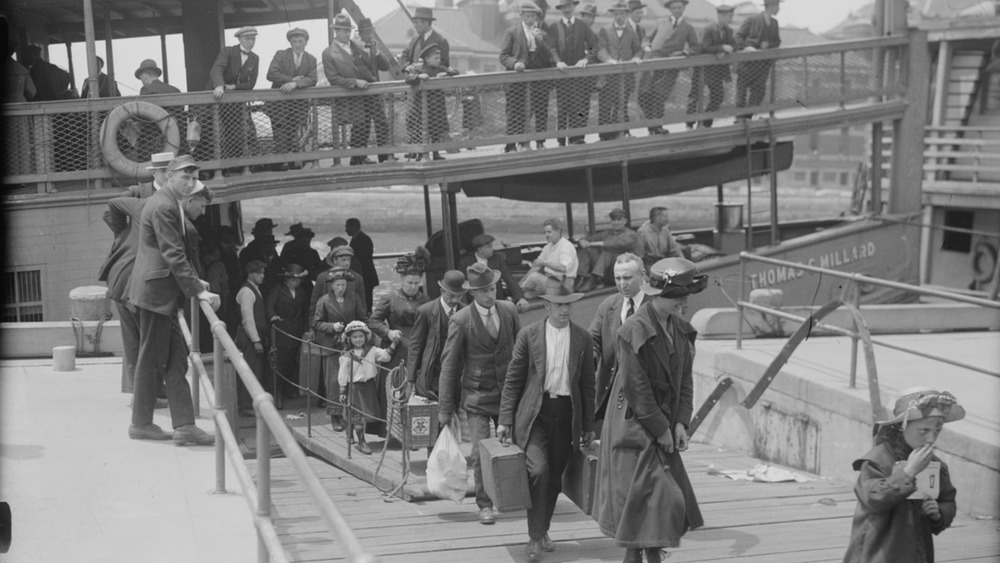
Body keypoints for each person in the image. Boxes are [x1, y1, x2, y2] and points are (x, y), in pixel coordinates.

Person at [592, 257, 707, 563]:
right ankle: (639, 555)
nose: (684, 301)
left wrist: (682, 422)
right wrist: (662, 430)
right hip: (632, 425)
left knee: (657, 500)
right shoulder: (633, 329)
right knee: (641, 498)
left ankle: (651, 553)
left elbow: (685, 380)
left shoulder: (681, 329)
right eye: (679, 295)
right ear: (660, 295)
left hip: (664, 421)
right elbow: (636, 389)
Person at [124, 155, 219, 445]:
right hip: (155, 294)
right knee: (151, 360)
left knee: (176, 359)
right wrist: (198, 290)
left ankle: (185, 426)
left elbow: (173, 254)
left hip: (162, 292)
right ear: (168, 176)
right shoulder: (164, 205)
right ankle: (141, 423)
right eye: (184, 178)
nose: (190, 183)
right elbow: (173, 253)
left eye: (193, 178)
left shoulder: (169, 202)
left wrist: (194, 282)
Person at [497, 284, 595, 561]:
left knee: (554, 477)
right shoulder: (528, 335)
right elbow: (513, 379)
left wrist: (588, 426)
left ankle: (542, 528)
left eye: (568, 305)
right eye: (559, 304)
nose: (565, 310)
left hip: (567, 414)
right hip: (535, 413)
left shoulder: (583, 338)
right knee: (538, 470)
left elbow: (588, 385)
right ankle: (535, 536)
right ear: (547, 306)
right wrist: (505, 420)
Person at [438, 262, 521, 525]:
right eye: (484, 290)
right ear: (472, 293)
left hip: (508, 395)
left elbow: (522, 353)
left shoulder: (508, 311)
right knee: (479, 450)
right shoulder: (461, 320)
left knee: (513, 447)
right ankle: (484, 504)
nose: (490, 294)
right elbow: (449, 366)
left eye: (493, 288)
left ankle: (511, 497)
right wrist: (444, 408)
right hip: (476, 397)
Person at [843, 388, 962, 563]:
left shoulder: (933, 465)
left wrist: (938, 512)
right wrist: (908, 473)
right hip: (877, 553)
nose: (931, 438)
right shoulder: (877, 461)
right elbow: (872, 499)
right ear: (901, 427)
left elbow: (947, 500)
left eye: (937, 431)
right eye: (924, 431)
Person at [588, 253, 645, 430]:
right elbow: (593, 340)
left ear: (643, 275)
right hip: (609, 392)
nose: (622, 283)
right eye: (617, 278)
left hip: (642, 395)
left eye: (627, 278)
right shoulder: (608, 305)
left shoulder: (654, 307)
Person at [500, 1, 561, 153]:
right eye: (527, 15)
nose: (530, 19)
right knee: (516, 112)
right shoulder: (512, 32)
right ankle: (513, 144)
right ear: (521, 16)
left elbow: (552, 56)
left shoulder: (544, 34)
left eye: (533, 16)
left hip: (539, 81)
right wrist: (514, 64)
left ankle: (540, 142)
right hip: (518, 80)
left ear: (537, 18)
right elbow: (503, 56)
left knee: (541, 111)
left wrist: (542, 42)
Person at [313, 269, 367, 432]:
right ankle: (335, 416)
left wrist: (360, 331)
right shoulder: (324, 301)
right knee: (334, 382)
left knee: (354, 379)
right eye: (338, 285)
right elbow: (316, 323)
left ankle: (353, 414)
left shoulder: (354, 298)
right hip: (332, 346)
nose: (341, 288)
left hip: (351, 345)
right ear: (331, 286)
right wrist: (332, 326)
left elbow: (363, 318)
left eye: (343, 285)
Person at [637, 0, 700, 135]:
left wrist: (683, 53)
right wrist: (647, 47)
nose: (677, 10)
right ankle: (651, 125)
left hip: (670, 67)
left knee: (659, 96)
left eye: (679, 7)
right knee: (643, 95)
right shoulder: (661, 23)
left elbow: (696, 47)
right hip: (653, 64)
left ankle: (657, 126)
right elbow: (646, 39)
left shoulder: (687, 27)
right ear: (669, 9)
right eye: (674, 7)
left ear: (684, 8)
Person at [323, 14, 378, 166]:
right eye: (344, 31)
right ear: (336, 31)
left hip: (365, 92)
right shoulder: (328, 53)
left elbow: (368, 65)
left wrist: (371, 51)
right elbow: (333, 78)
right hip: (348, 94)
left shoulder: (356, 46)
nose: (347, 34)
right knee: (359, 124)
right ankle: (356, 157)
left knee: (365, 123)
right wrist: (355, 82)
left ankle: (361, 155)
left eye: (349, 30)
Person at [405, 269, 467, 402]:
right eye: (451, 295)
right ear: (442, 291)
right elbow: (415, 345)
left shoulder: (466, 312)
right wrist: (411, 378)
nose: (455, 300)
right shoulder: (425, 311)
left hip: (459, 374)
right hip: (432, 373)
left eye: (459, 296)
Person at [368, 247, 431, 371]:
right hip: (397, 347)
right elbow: (373, 321)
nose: (413, 287)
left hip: (420, 347)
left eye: (416, 283)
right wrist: (388, 332)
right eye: (409, 283)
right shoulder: (389, 298)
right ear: (401, 279)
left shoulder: (426, 300)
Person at [338, 321, 397, 455]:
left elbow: (385, 356)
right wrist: (342, 390)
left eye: (360, 336)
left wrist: (394, 343)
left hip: (368, 387)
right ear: (349, 339)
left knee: (364, 414)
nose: (358, 339)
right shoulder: (346, 356)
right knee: (357, 415)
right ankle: (361, 441)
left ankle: (350, 432)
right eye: (354, 337)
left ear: (366, 337)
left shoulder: (372, 351)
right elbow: (343, 374)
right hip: (354, 387)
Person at [204, 26, 260, 163]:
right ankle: (207, 167)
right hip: (215, 97)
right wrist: (219, 85)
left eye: (253, 39)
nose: (251, 42)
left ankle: (231, 164)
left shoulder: (254, 58)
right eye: (247, 39)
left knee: (235, 133)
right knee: (208, 131)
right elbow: (217, 69)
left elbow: (251, 83)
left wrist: (234, 87)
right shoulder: (228, 51)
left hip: (233, 102)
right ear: (240, 39)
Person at [265, 27, 317, 171]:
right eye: (294, 41)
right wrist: (290, 79)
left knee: (293, 132)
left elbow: (312, 79)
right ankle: (281, 162)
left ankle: (293, 160)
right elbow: (271, 74)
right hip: (278, 104)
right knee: (280, 131)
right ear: (290, 43)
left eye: (300, 41)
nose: (297, 44)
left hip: (297, 105)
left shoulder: (311, 59)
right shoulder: (281, 55)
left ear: (306, 42)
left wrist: (295, 84)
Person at [549, 0, 598, 146]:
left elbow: (593, 45)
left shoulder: (582, 26)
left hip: (579, 77)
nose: (567, 9)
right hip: (562, 76)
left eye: (569, 6)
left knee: (580, 108)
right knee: (563, 108)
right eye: (564, 7)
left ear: (574, 7)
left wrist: (586, 58)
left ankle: (577, 137)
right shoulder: (554, 27)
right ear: (561, 9)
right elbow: (551, 49)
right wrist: (558, 61)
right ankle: (561, 140)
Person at [404, 43, 459, 162]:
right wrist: (419, 77)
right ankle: (421, 154)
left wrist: (446, 73)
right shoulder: (418, 68)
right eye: (435, 58)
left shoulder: (440, 68)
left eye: (439, 58)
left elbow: (456, 71)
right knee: (421, 130)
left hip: (437, 107)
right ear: (427, 59)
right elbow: (408, 78)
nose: (438, 60)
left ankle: (436, 153)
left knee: (436, 130)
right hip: (422, 107)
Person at [597, 1, 643, 141]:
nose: (619, 17)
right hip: (609, 77)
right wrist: (608, 59)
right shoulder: (604, 30)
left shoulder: (632, 31)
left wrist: (636, 57)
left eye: (621, 14)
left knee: (621, 106)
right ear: (613, 15)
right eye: (616, 14)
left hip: (626, 77)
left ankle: (621, 133)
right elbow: (599, 49)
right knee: (605, 106)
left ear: (626, 14)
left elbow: (638, 49)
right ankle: (604, 136)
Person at [266, 262, 311, 401]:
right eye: (293, 279)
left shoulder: (302, 292)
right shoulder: (277, 290)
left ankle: (290, 389)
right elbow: (269, 306)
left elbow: (305, 312)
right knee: (280, 362)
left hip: (296, 328)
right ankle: (277, 392)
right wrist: (273, 316)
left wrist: (307, 329)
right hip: (281, 329)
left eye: (298, 280)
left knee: (294, 362)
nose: (296, 282)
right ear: (286, 280)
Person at [356, 18, 396, 164]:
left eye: (370, 31)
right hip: (360, 92)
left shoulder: (373, 47)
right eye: (366, 32)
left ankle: (383, 156)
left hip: (374, 92)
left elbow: (385, 67)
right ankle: (358, 157)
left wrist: (377, 52)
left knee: (381, 123)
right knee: (361, 125)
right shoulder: (354, 46)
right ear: (360, 33)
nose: (369, 35)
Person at [458, 233, 529, 312]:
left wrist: (520, 298)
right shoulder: (465, 262)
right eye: (489, 246)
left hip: (496, 301)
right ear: (480, 250)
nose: (492, 249)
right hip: (474, 304)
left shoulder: (497, 259)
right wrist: (465, 306)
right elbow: (462, 286)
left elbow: (509, 279)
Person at [735, 0, 781, 119]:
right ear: (770, 6)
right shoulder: (752, 20)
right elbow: (738, 37)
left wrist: (768, 45)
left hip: (762, 66)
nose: (778, 9)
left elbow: (777, 41)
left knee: (758, 93)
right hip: (747, 64)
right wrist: (747, 47)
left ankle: (747, 117)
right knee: (741, 92)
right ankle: (740, 119)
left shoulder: (774, 23)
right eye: (777, 6)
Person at [235, 259, 270, 415]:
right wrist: (256, 340)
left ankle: (250, 403)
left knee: (255, 369)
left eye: (263, 273)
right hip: (249, 338)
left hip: (256, 335)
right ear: (251, 274)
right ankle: (246, 405)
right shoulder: (247, 292)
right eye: (259, 273)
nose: (263, 276)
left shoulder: (254, 289)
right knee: (250, 369)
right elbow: (247, 319)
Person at [693, 5, 737, 128]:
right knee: (696, 96)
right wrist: (721, 48)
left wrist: (727, 50)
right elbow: (704, 47)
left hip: (718, 71)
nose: (731, 19)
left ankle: (705, 123)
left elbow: (735, 45)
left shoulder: (729, 31)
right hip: (704, 70)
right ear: (720, 16)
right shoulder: (708, 29)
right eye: (729, 16)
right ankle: (692, 124)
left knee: (718, 97)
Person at [575, 207, 638, 291]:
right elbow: (588, 238)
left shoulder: (631, 234)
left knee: (608, 251)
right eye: (613, 220)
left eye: (619, 220)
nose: (616, 222)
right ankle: (580, 277)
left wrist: (596, 243)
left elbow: (617, 244)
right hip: (605, 272)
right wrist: (582, 241)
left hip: (622, 271)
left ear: (625, 221)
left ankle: (594, 279)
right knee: (587, 249)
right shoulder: (607, 233)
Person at [519, 218, 579, 298]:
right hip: (550, 282)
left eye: (549, 232)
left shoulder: (566, 247)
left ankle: (515, 292)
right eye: (545, 232)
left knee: (534, 277)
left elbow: (563, 268)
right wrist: (521, 282)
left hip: (563, 286)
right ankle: (518, 291)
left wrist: (544, 262)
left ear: (558, 231)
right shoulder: (547, 247)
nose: (546, 235)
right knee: (527, 295)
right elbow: (536, 267)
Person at [310, 245, 366, 320]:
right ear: (334, 260)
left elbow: (362, 305)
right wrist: (311, 326)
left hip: (351, 323)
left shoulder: (357, 278)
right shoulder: (322, 278)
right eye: (343, 260)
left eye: (349, 260)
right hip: (326, 323)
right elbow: (314, 304)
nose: (347, 263)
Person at [399, 7, 451, 73]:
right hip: (413, 80)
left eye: (417, 22)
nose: (415, 26)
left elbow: (444, 65)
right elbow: (404, 54)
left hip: (431, 81)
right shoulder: (414, 40)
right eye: (414, 23)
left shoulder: (441, 41)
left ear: (426, 23)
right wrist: (407, 66)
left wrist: (424, 68)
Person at [346, 218, 379, 311]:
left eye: (347, 227)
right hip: (363, 276)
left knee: (366, 301)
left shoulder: (363, 239)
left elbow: (362, 257)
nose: (346, 230)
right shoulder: (357, 238)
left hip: (366, 276)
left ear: (353, 227)